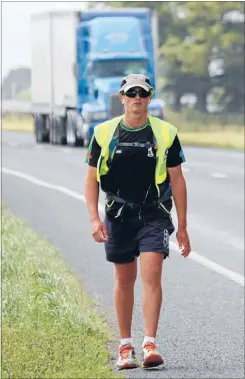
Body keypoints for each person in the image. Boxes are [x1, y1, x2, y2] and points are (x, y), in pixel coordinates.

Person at [85, 74, 191, 370]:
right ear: (121, 97)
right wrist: (94, 218)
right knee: (123, 280)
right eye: (131, 93)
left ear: (149, 98)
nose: (136, 98)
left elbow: (178, 180)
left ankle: (150, 343)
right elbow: (91, 179)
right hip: (118, 215)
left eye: (142, 93)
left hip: (154, 213)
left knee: (152, 274)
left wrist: (182, 226)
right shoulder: (104, 132)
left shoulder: (166, 133)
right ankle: (125, 346)